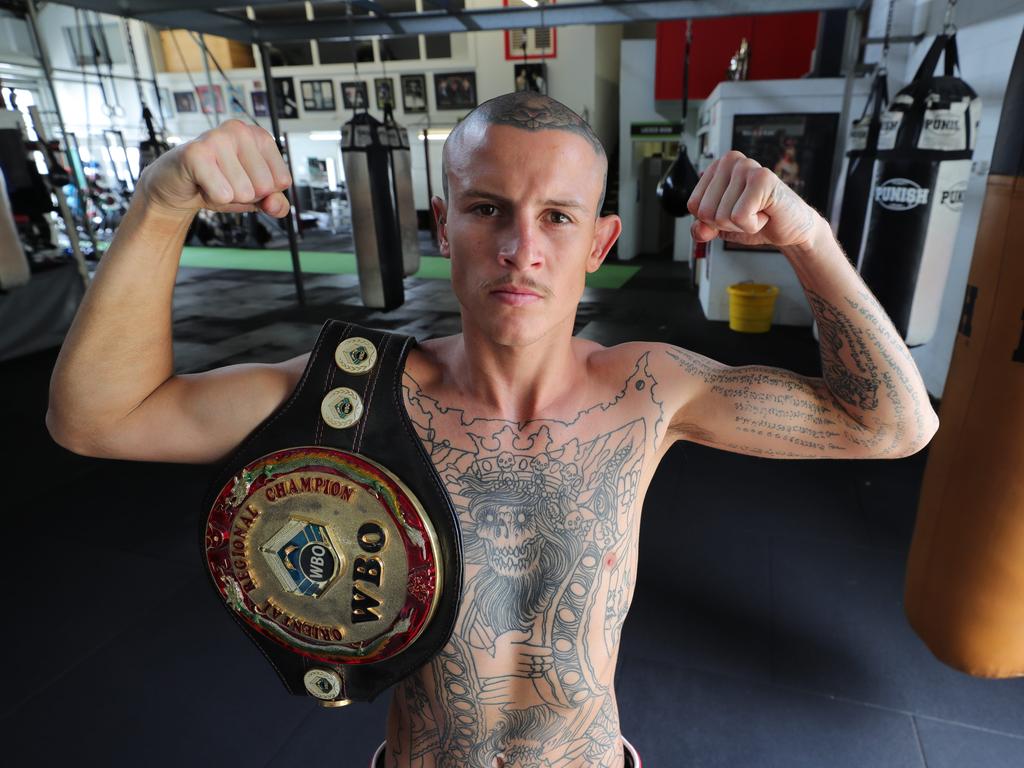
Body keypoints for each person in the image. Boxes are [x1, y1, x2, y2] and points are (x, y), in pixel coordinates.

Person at [46, 92, 939, 768]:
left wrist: (804, 233)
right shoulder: (356, 395)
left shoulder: (648, 389)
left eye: (558, 216)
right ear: (445, 225)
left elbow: (894, 426)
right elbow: (98, 418)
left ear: (598, 242)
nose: (522, 247)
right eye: (487, 209)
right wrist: (162, 203)